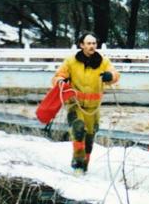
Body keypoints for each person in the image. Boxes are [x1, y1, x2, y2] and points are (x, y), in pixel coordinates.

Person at [50, 32, 120, 175]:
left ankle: (85, 164)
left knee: (89, 137)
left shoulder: (103, 61)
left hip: (93, 108)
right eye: (88, 43)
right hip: (75, 104)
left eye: (94, 43)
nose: (92, 46)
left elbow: (115, 74)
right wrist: (61, 81)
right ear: (82, 45)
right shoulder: (71, 61)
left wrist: (110, 76)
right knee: (78, 129)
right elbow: (58, 76)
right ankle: (77, 164)